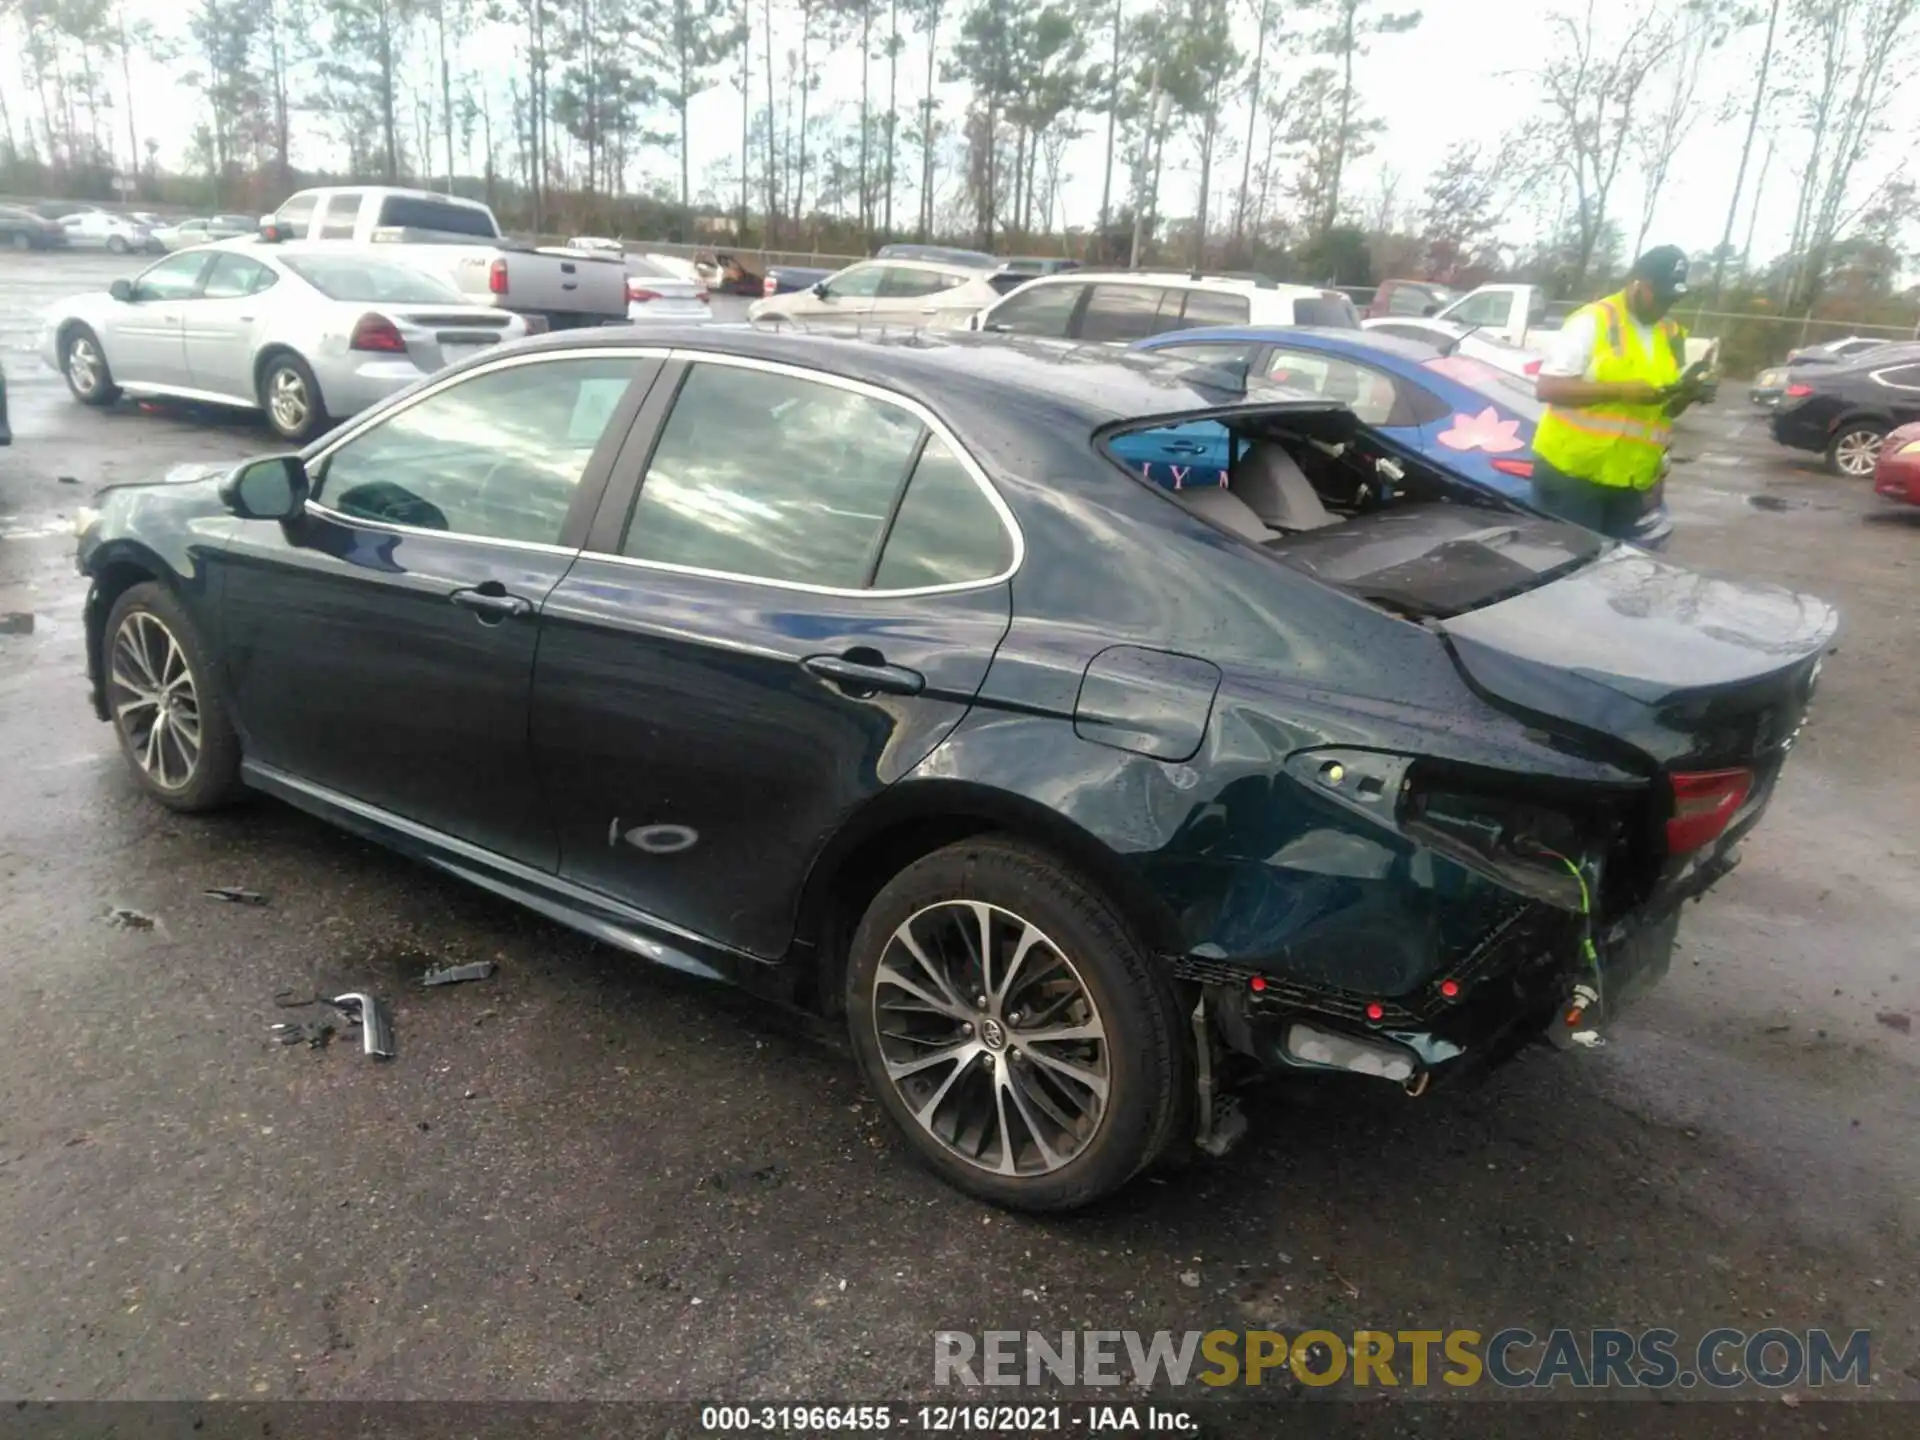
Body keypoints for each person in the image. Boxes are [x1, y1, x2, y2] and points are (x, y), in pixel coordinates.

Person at [1531, 245, 1708, 539]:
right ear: (1637, 283)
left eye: (1673, 298)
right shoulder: (1593, 320)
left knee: (1613, 575)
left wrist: (1688, 394)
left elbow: (1664, 410)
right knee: (1569, 572)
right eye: (1660, 296)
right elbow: (1548, 388)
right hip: (1573, 478)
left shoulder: (1670, 333)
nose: (1665, 305)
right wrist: (1621, 391)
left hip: (1630, 482)